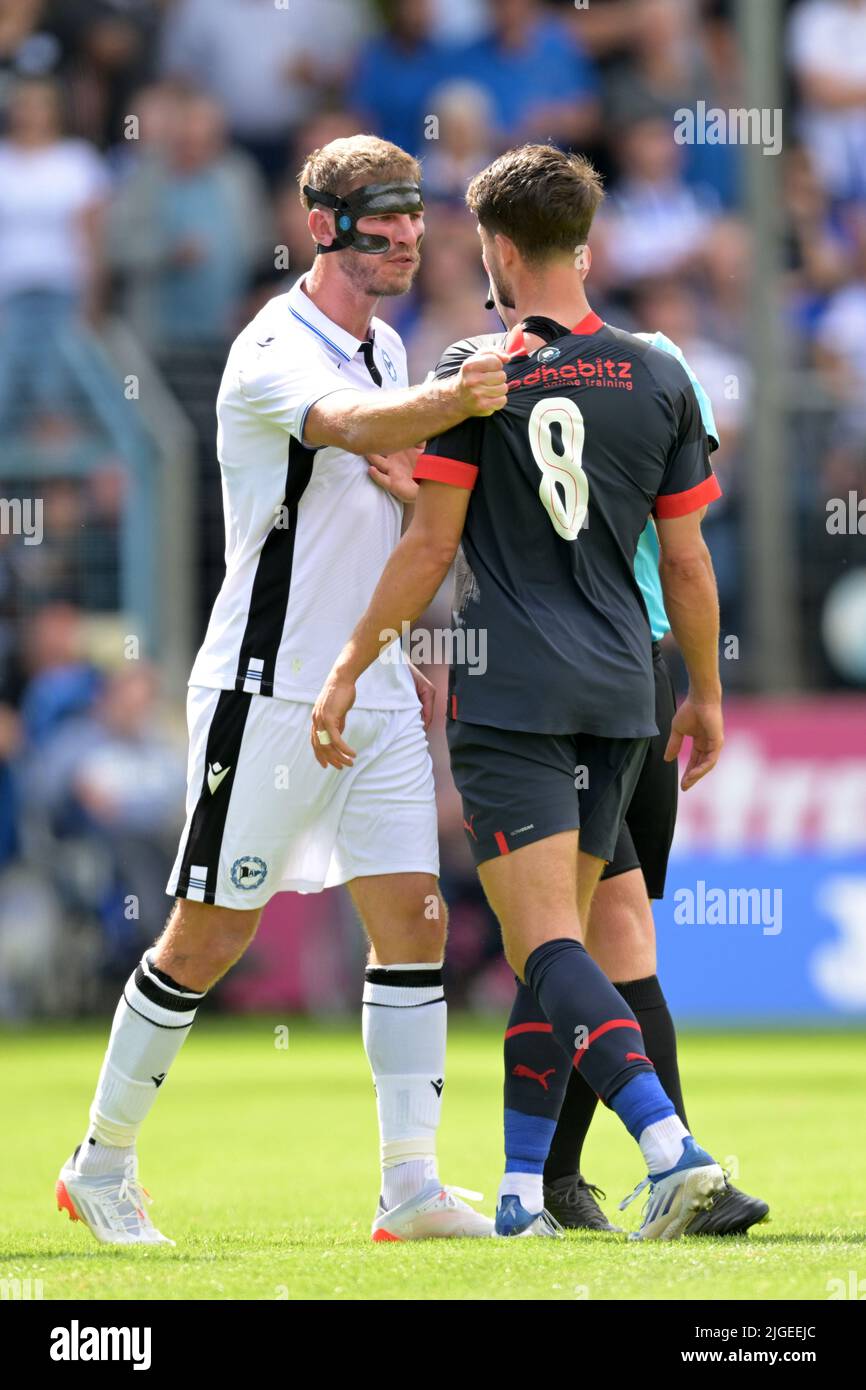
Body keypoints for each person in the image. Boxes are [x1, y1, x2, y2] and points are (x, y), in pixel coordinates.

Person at [56, 134, 512, 1246]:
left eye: (412, 214)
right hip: (266, 689)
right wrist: (461, 399)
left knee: (411, 916)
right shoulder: (274, 346)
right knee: (207, 935)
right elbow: (348, 429)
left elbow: (382, 481)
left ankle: (408, 1183)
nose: (405, 234)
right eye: (379, 218)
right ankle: (99, 1162)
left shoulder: (393, 349)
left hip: (374, 684)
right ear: (321, 227)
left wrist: (415, 506)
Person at [312, 143, 727, 1240]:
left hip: (512, 689)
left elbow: (431, 549)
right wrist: (709, 697)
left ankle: (669, 1148)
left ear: (495, 248)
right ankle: (517, 1190)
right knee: (569, 944)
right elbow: (684, 563)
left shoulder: (471, 371)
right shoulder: (657, 371)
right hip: (623, 686)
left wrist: (353, 658)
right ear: (582, 241)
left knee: (542, 945)